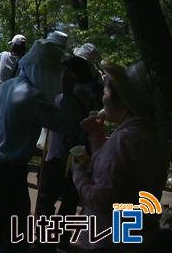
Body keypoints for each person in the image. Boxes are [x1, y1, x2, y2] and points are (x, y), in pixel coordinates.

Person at [0, 39, 78, 253]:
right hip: (8, 171)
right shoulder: (31, 96)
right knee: (13, 231)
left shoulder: (8, 86)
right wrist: (69, 94)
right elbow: (65, 124)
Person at [71, 60, 169, 253]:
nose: (102, 97)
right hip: (140, 237)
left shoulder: (123, 140)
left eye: (106, 92)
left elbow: (101, 198)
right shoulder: (153, 135)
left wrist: (78, 174)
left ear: (124, 101)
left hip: (109, 241)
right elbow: (115, 174)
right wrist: (97, 135)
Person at [35, 54, 98, 253]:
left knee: (46, 199)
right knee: (70, 200)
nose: (61, 76)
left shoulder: (63, 99)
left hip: (58, 156)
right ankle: (62, 238)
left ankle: (44, 240)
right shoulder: (92, 96)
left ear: (72, 74)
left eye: (65, 71)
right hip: (81, 156)